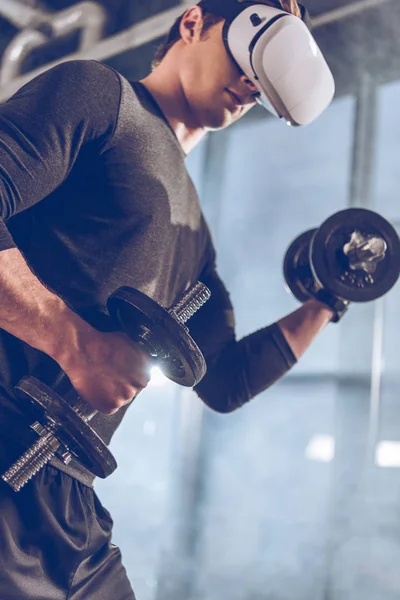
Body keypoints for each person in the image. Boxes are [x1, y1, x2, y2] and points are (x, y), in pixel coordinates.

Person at [0, 1, 343, 598]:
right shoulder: (99, 98)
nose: (249, 84)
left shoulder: (195, 238)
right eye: (243, 58)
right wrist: (73, 344)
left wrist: (330, 299)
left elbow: (225, 380)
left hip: (61, 497)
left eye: (262, 79)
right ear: (192, 23)